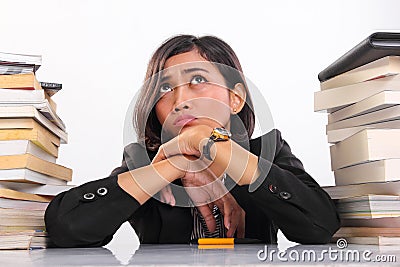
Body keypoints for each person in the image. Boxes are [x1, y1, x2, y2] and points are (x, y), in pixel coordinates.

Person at [45, 35, 340, 247]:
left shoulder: (265, 150)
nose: (180, 100)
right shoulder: (144, 161)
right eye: (164, 87)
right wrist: (176, 166)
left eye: (198, 80)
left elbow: (320, 226)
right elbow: (67, 227)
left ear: (235, 98)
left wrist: (211, 144)